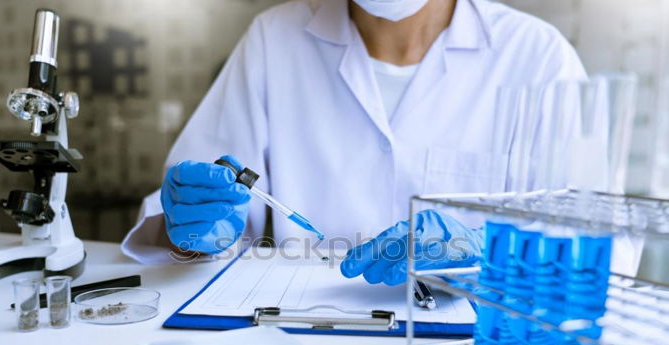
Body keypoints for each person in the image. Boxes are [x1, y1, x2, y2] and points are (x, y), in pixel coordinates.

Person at [121, 0, 590, 282]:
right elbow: (198, 220)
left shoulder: (538, 57)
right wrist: (189, 230)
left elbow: (591, 246)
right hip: (299, 339)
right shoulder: (274, 38)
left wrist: (488, 251)